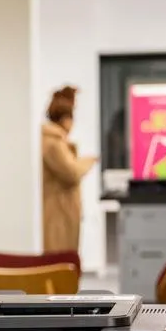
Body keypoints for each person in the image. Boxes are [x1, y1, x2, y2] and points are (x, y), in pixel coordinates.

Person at [41, 85, 97, 254]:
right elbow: (71, 173)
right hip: (58, 212)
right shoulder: (52, 143)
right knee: (60, 262)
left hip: (61, 210)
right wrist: (88, 162)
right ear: (66, 119)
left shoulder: (56, 141)